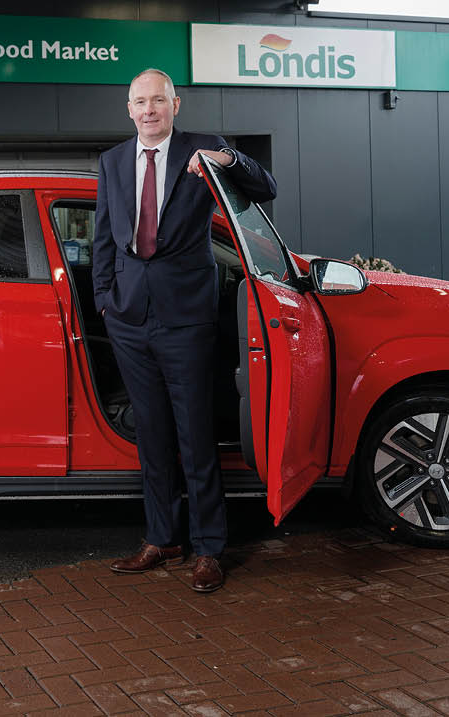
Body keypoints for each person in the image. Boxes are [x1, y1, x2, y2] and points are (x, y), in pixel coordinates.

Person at [93, 69, 277, 592]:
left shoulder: (204, 148)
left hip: (186, 319)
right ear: (129, 109)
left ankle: (209, 548)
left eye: (157, 100)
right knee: (152, 436)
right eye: (139, 102)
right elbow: (104, 237)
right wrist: (106, 300)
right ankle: (161, 537)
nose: (148, 110)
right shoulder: (111, 161)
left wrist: (228, 160)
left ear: (176, 104)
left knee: (195, 434)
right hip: (129, 318)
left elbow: (267, 187)